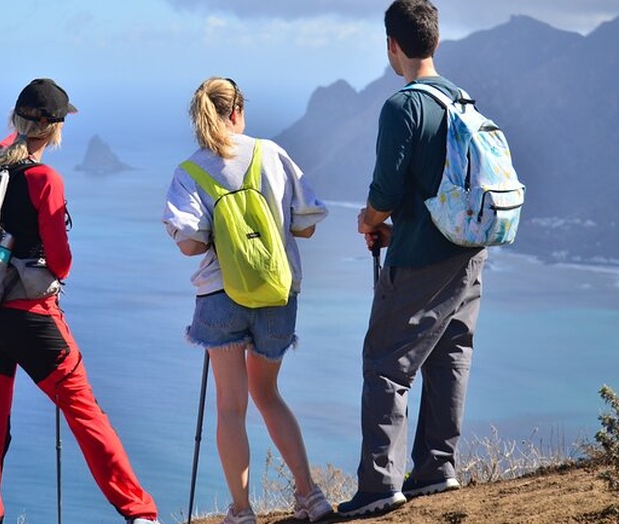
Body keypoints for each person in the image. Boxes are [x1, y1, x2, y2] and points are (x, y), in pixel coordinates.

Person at [0, 78, 161, 524]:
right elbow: (61, 262)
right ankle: (139, 511)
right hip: (30, 318)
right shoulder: (43, 178)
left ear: (15, 119)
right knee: (85, 412)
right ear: (54, 128)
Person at [337, 0, 489, 517]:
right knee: (451, 355)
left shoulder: (403, 106)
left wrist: (370, 218)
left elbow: (387, 187)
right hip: (469, 251)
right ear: (436, 42)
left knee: (385, 364)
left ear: (392, 46)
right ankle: (436, 468)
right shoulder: (460, 98)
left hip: (422, 256)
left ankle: (379, 486)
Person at [162, 77, 332, 524]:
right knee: (268, 393)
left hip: (220, 297)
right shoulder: (271, 154)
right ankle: (310, 496)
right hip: (277, 294)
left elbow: (190, 245)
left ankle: (241, 513)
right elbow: (308, 224)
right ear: (237, 110)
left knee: (231, 406)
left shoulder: (190, 171)